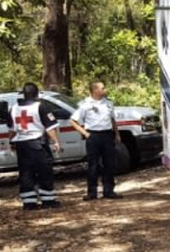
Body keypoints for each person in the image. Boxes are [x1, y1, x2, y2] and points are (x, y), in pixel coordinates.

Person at [8, 82, 62, 210]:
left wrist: (11, 142)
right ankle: (48, 201)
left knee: (26, 173)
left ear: (24, 94)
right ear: (37, 94)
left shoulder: (14, 108)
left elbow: (11, 129)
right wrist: (56, 141)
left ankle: (29, 203)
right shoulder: (41, 107)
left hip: (21, 144)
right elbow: (49, 127)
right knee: (44, 172)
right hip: (38, 143)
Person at [70, 80, 123, 200]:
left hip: (107, 135)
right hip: (93, 136)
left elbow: (113, 120)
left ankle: (109, 190)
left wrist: (117, 134)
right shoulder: (85, 104)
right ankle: (92, 192)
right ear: (95, 90)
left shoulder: (108, 103)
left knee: (109, 163)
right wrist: (86, 134)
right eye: (102, 88)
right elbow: (73, 121)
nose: (105, 90)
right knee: (93, 165)